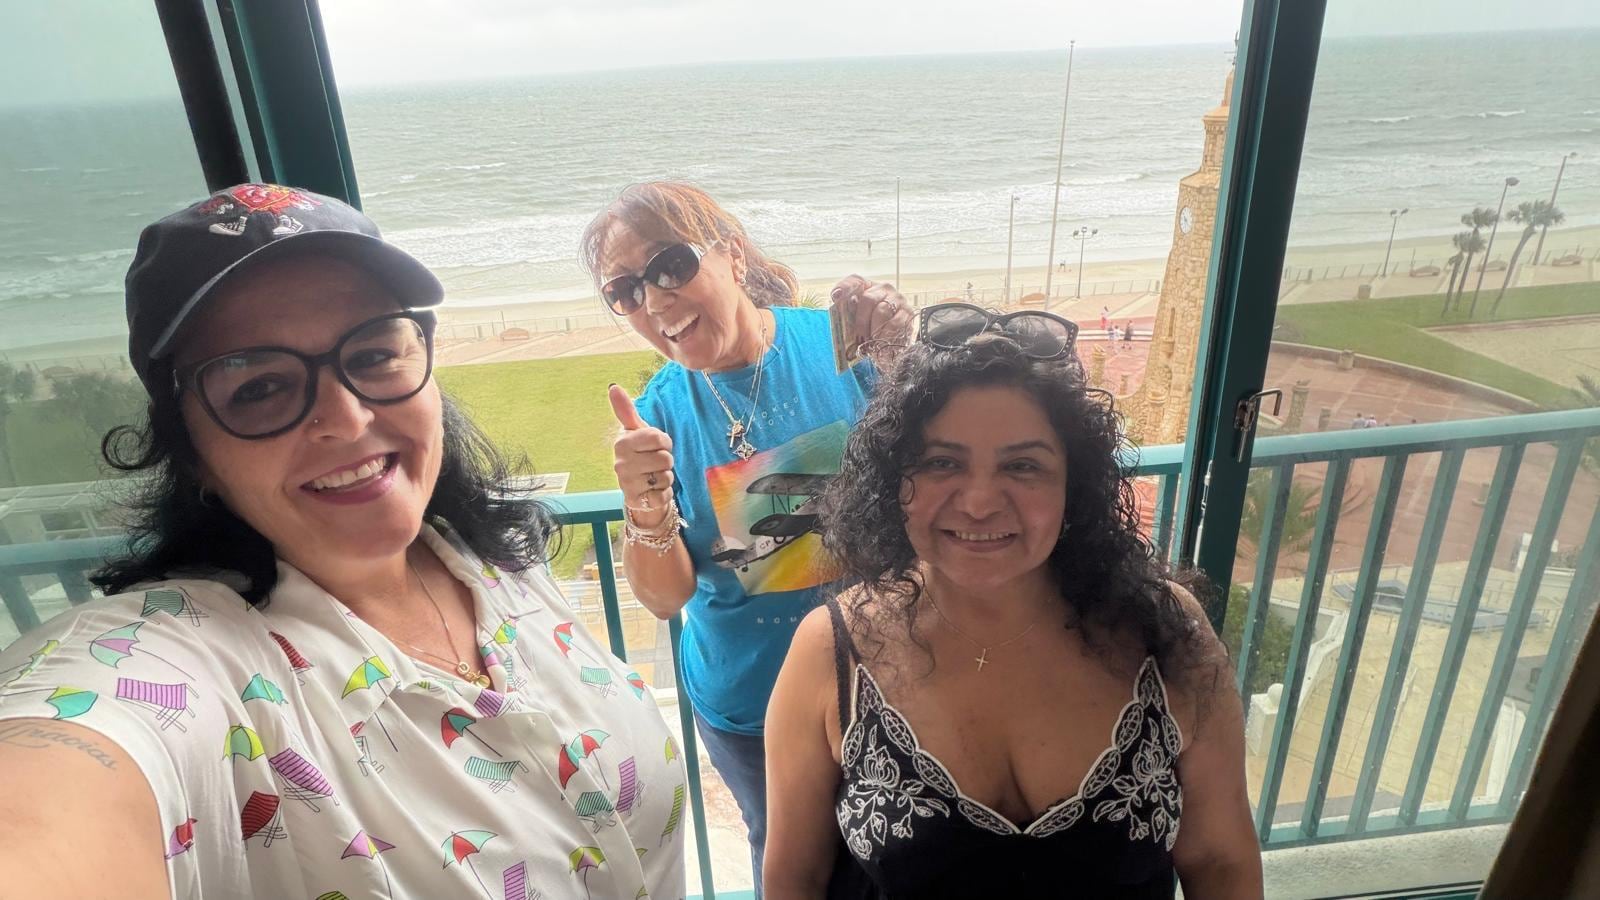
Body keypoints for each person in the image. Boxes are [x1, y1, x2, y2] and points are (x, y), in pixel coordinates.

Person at [0, 185, 685, 898]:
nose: (348, 418)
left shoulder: (498, 560)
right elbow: (57, 787)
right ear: (194, 453)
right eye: (259, 388)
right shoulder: (188, 663)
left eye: (374, 352)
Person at [765, 309, 1262, 898]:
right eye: (942, 462)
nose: (979, 502)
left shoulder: (1166, 631)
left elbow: (1220, 860)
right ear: (893, 482)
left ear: (1073, 486)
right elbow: (795, 877)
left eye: (1023, 465)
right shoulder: (832, 651)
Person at [578, 182, 912, 893]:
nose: (654, 299)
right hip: (751, 710)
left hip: (884, 679)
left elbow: (930, 479)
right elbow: (664, 598)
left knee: (899, 853)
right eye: (625, 290)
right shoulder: (660, 414)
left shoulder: (840, 349)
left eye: (670, 265)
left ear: (731, 256)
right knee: (794, 866)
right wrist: (644, 503)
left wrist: (905, 359)